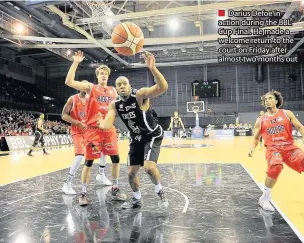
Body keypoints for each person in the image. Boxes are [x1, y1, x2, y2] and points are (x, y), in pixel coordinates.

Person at [97, 51, 169, 209]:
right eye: (119, 85)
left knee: (149, 167)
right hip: (136, 138)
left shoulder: (140, 95)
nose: (122, 86)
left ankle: (159, 190)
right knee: (130, 173)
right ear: (116, 89)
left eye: (125, 84)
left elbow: (162, 87)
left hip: (152, 135)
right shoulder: (114, 104)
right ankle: (137, 199)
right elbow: (108, 123)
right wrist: (102, 124)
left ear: (130, 86)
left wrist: (153, 68)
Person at [65, 50, 126, 206]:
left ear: (108, 76)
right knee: (89, 162)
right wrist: (76, 62)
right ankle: (83, 193)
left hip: (109, 130)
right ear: (97, 76)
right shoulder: (91, 88)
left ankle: (115, 187)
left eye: (106, 73)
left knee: (116, 159)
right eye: (101, 74)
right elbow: (69, 81)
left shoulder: (113, 91)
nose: (104, 76)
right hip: (94, 131)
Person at [248, 90, 304, 212]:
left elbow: (300, 127)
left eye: (270, 98)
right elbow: (256, 138)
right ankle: (265, 198)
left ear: (276, 101)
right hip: (273, 149)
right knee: (276, 166)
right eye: (265, 99)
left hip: (289, 147)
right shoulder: (261, 120)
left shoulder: (286, 113)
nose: (267, 100)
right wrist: (252, 149)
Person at [61, 88, 112, 195]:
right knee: (79, 156)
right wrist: (78, 123)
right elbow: (64, 115)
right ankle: (67, 183)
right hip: (78, 133)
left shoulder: (92, 101)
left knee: (103, 151)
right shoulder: (73, 99)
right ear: (79, 87)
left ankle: (101, 175)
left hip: (89, 133)